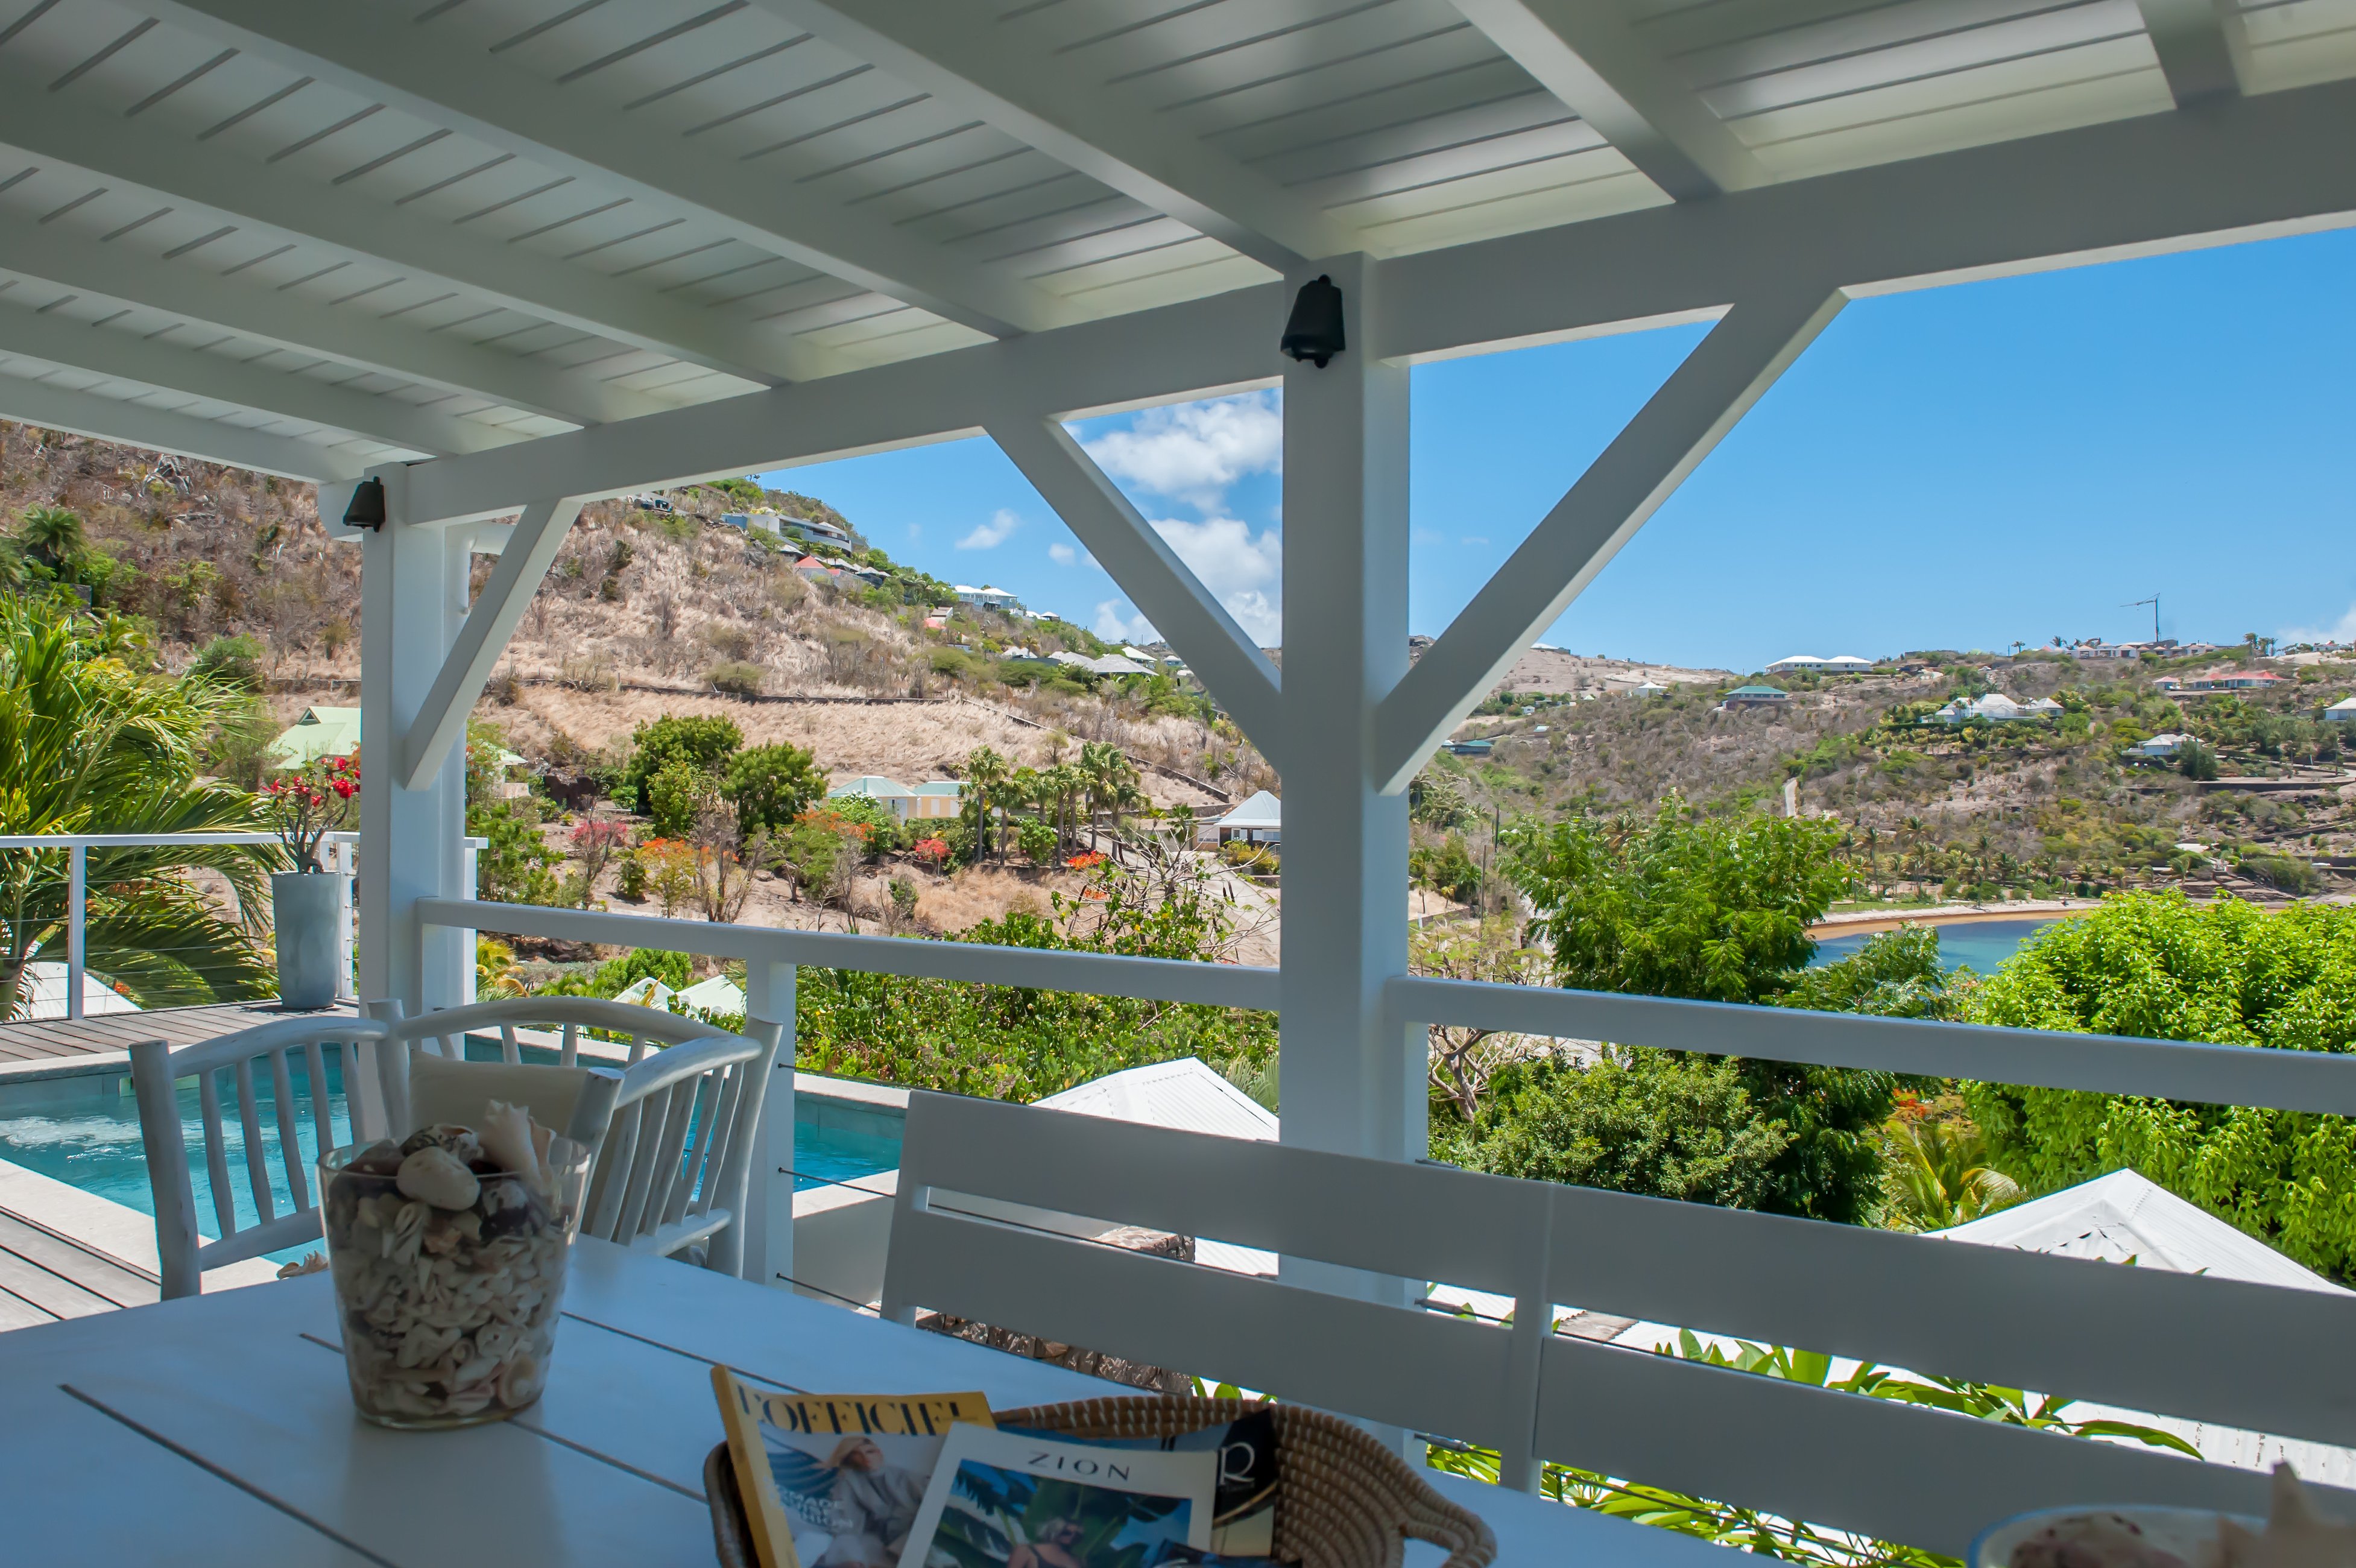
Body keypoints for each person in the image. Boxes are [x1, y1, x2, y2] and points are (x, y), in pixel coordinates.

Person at [818, 1435, 927, 1568]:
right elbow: (847, 1527)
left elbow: (934, 1511)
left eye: (870, 1452)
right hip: (885, 1546)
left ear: (879, 1453)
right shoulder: (849, 1483)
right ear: (849, 1458)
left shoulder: (907, 1477)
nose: (866, 1458)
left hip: (919, 1540)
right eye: (857, 1454)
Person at [1006, 1517, 1088, 1568]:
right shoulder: (1025, 1551)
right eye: (1067, 1533)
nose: (1072, 1537)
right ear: (1056, 1531)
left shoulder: (1080, 1562)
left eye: (1077, 1535)